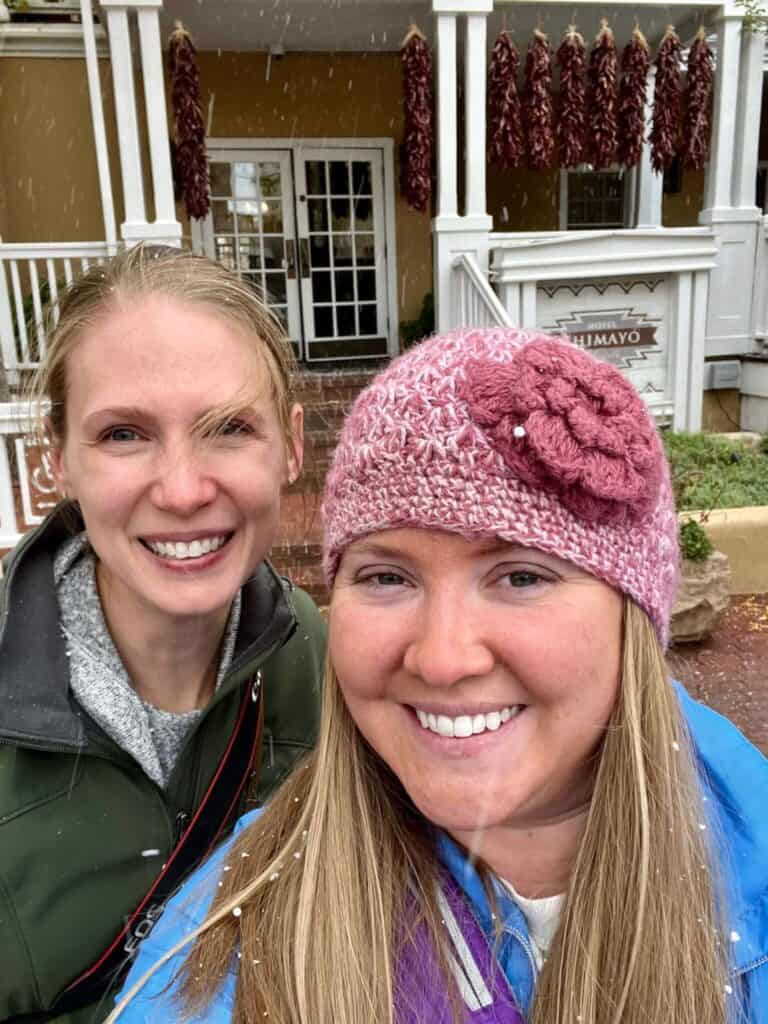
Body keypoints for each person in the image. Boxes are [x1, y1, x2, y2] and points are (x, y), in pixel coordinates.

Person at [110, 327, 768, 1024]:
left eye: (520, 575)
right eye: (387, 576)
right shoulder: (216, 953)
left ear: (632, 613)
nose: (443, 658)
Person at [0, 244, 325, 1023]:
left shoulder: (325, 663)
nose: (182, 489)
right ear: (59, 463)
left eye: (227, 428)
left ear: (292, 445)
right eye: (123, 434)